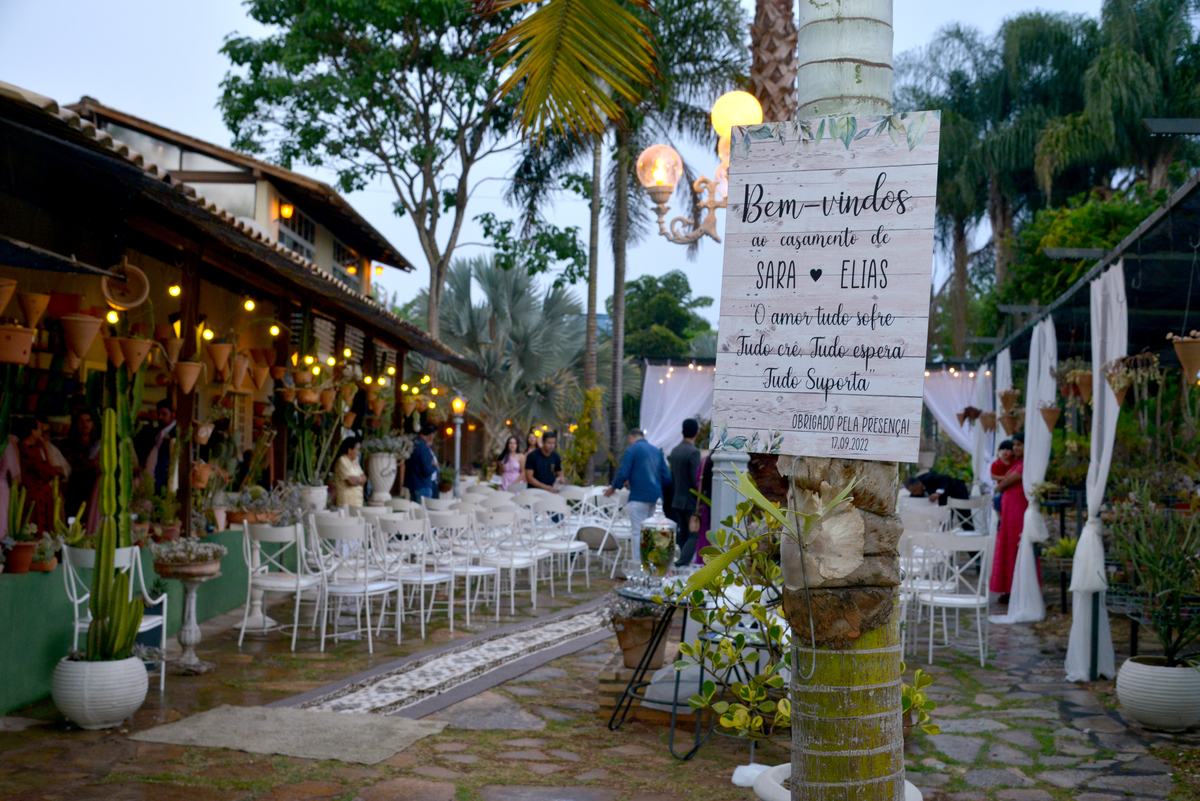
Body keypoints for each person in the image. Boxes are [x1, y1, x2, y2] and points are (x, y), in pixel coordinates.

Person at [605, 429, 671, 538]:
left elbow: (623, 473)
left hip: (638, 497)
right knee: (653, 533)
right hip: (656, 498)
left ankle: (638, 556)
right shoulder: (656, 451)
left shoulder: (632, 450)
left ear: (631, 437)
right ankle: (650, 555)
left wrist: (613, 487)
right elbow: (667, 477)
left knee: (638, 533)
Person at [990, 434, 1026, 602]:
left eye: (1019, 445)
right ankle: (1007, 589)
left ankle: (1015, 589)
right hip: (1009, 514)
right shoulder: (1017, 463)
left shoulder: (1024, 464)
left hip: (1016, 514)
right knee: (1007, 549)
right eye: (1015, 445)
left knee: (1013, 549)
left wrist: (998, 489)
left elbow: (1007, 482)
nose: (1015, 449)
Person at [14, 417, 65, 533]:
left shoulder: (32, 449)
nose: (42, 432)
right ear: (32, 431)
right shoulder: (28, 451)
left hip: (39, 495)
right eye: (39, 429)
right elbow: (50, 472)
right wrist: (46, 447)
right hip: (35, 496)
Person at [668, 419, 703, 565]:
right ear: (697, 433)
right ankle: (681, 563)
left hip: (677, 499)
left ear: (682, 432)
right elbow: (696, 480)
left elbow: (674, 477)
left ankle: (677, 564)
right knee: (694, 535)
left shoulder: (675, 450)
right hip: (690, 501)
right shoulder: (693, 452)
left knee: (682, 534)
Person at [62, 409, 100, 520]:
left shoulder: (98, 443)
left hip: (93, 484)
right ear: (76, 423)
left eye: (88, 421)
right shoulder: (68, 443)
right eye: (81, 421)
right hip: (75, 485)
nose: (85, 424)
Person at [903, 469, 972, 529]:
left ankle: (970, 534)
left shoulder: (929, 478)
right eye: (913, 492)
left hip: (957, 491)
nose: (915, 494)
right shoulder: (915, 493)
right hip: (943, 501)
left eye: (915, 491)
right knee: (944, 521)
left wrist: (937, 493)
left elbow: (945, 479)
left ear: (919, 484)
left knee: (965, 518)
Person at [137, 399, 176, 492]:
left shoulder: (175, 433)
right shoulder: (156, 430)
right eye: (158, 414)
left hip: (163, 478)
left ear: (172, 414)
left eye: (164, 414)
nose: (160, 417)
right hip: (149, 477)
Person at [331, 436, 366, 507]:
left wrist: (358, 479)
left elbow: (364, 478)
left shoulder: (355, 462)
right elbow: (351, 481)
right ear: (350, 450)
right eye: (357, 450)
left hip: (358, 503)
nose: (358, 453)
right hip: (346, 505)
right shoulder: (342, 461)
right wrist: (360, 480)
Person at [405, 424, 438, 501]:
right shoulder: (423, 447)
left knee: (414, 511)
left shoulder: (413, 443)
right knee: (422, 511)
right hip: (423, 485)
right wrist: (434, 466)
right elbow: (427, 470)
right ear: (431, 434)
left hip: (412, 483)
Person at [990, 440, 1015, 517]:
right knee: (997, 498)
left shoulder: (1015, 462)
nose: (1005, 452)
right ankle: (999, 517)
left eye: (1008, 450)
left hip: (1013, 487)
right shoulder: (996, 463)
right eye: (1003, 449)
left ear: (1012, 452)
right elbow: (993, 476)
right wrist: (1005, 478)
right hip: (1001, 488)